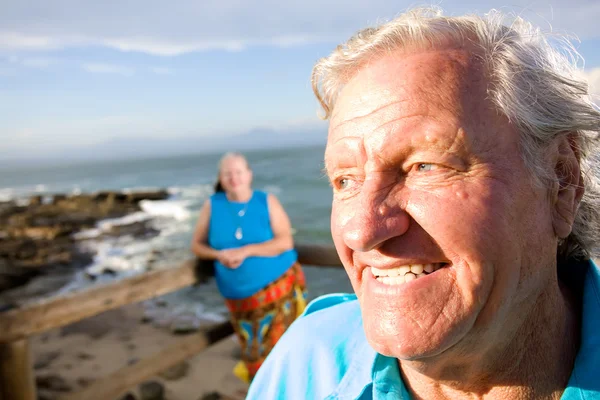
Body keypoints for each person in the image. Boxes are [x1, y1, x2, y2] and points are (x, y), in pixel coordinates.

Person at [246, 7, 600, 400]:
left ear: (562, 181)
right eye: (345, 180)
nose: (361, 231)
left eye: (425, 166)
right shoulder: (307, 361)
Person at [190, 152, 307, 383]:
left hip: (279, 289)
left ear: (249, 175)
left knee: (287, 351)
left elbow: (285, 241)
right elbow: (196, 245)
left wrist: (245, 251)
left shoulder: (267, 200)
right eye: (228, 173)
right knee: (255, 355)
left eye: (238, 172)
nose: (234, 177)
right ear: (221, 178)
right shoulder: (212, 204)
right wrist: (219, 255)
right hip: (239, 301)